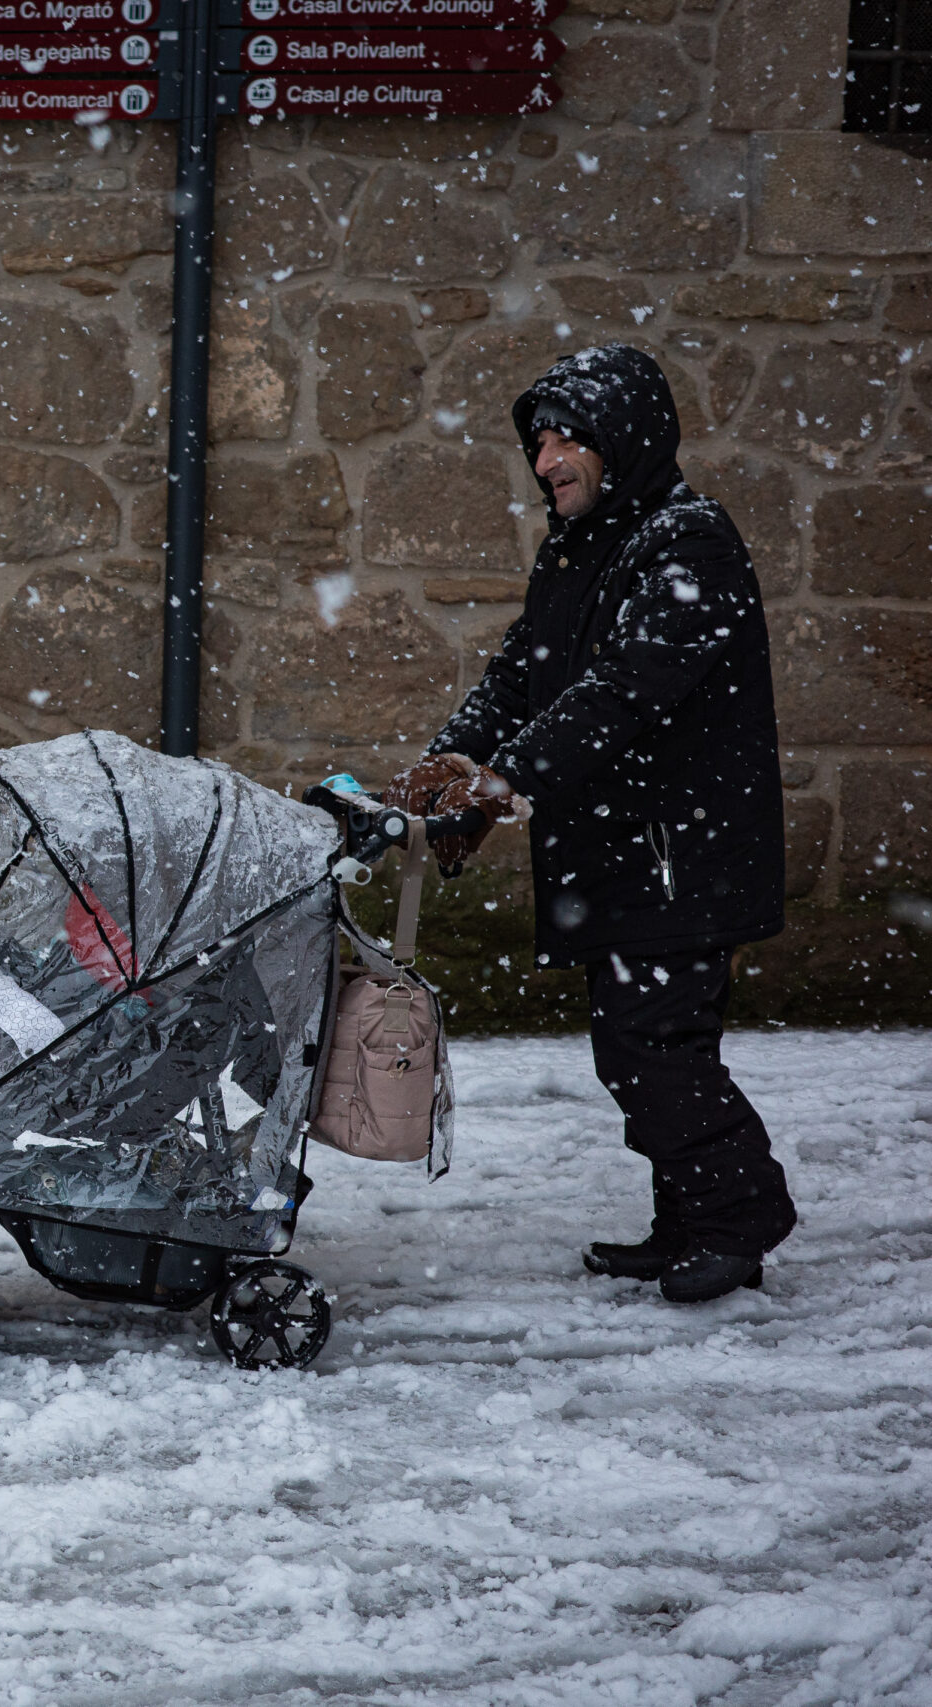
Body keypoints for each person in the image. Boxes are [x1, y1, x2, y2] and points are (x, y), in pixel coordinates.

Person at [383, 344, 794, 1305]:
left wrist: (500, 785)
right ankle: (686, 1221)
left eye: (567, 439)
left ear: (623, 440)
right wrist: (444, 765)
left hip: (678, 851)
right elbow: (518, 678)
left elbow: (622, 694)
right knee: (641, 1043)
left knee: (654, 1044)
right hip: (622, 850)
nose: (546, 461)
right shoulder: (578, 550)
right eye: (538, 443)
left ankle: (738, 1218)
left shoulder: (689, 544)